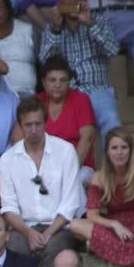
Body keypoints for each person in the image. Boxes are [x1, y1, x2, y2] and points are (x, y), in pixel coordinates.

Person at [0, 97, 79, 267]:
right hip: (23, 227)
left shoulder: (65, 151)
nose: (33, 130)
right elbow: (8, 207)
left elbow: (71, 203)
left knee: (56, 251)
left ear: (45, 123)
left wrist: (49, 232)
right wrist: (28, 233)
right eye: (28, 125)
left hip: (58, 227)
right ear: (20, 125)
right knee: (16, 249)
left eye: (38, 124)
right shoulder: (7, 159)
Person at [38, 0, 121, 143]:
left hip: (97, 90)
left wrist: (89, 23)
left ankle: (116, 168)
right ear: (60, 0)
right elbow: (45, 62)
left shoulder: (99, 22)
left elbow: (113, 51)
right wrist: (56, 28)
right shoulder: (51, 29)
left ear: (85, 0)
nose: (72, 3)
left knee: (111, 120)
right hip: (64, 93)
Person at [69, 126, 134, 267]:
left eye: (124, 147)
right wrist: (114, 225)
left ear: (131, 150)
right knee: (75, 225)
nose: (119, 153)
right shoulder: (99, 177)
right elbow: (92, 215)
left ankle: (99, 246)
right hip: (116, 227)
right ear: (107, 151)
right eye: (114, 148)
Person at [36, 54, 96, 213]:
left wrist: (69, 170)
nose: (57, 85)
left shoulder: (81, 100)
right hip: (44, 166)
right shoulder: (36, 103)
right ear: (43, 82)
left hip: (80, 165)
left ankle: (79, 223)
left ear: (69, 82)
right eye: (52, 80)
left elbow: (87, 138)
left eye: (63, 80)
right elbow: (22, 137)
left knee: (73, 181)